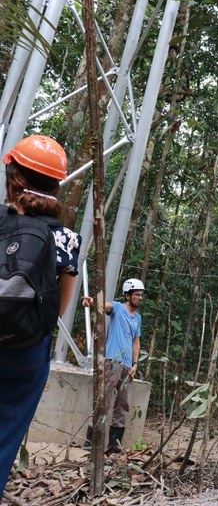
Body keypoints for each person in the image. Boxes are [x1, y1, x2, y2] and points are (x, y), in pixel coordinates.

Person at [0, 136, 81, 493]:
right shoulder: (66, 238)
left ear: (12, 174)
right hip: (28, 348)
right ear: (57, 184)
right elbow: (58, 307)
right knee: (5, 435)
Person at [82, 278, 145, 452]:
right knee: (105, 401)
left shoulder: (137, 318)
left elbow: (136, 342)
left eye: (142, 295)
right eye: (137, 294)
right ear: (128, 295)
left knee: (123, 403)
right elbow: (106, 306)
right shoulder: (118, 308)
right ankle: (90, 442)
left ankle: (114, 444)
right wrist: (93, 302)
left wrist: (135, 364)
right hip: (113, 362)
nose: (140, 298)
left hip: (127, 366)